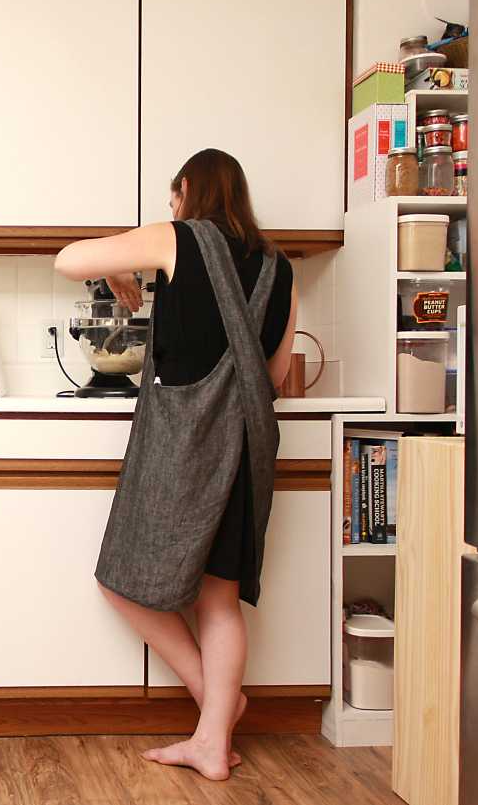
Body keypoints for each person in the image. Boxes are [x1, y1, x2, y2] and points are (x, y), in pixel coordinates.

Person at [53, 148, 297, 781]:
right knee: (218, 601)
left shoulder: (178, 236)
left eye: (173, 199)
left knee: (119, 578)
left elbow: (67, 259)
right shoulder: (281, 268)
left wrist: (118, 269)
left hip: (183, 445)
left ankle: (214, 711)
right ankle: (214, 733)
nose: (171, 209)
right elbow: (272, 375)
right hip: (247, 447)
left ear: (186, 190)